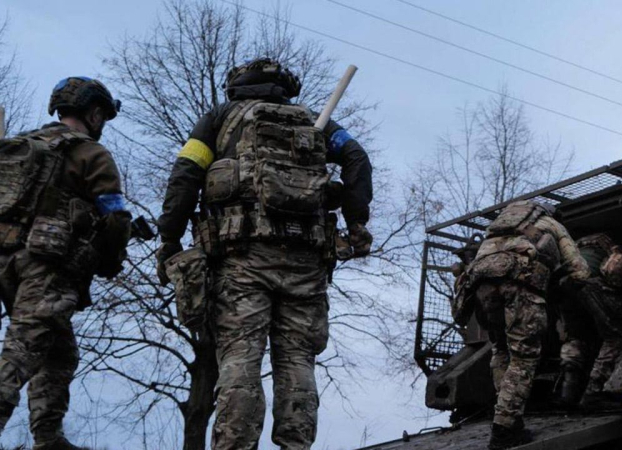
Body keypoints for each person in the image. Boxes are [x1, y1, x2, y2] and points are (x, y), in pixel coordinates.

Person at [156, 58, 373, 450]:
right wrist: (356, 222)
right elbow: (356, 158)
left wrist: (169, 240)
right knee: (297, 362)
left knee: (240, 360)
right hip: (306, 263)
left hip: (242, 260)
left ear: (236, 86)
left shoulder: (219, 118)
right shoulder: (312, 121)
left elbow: (186, 174)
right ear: (286, 89)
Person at [0, 77, 130, 449]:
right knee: (23, 350)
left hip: (6, 260)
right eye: (103, 116)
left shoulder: (21, 146)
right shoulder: (92, 155)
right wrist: (110, 259)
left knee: (59, 352)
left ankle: (49, 437)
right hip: (47, 268)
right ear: (93, 113)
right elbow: (115, 217)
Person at [452, 200, 589, 450]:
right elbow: (580, 272)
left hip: (483, 290)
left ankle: (507, 417)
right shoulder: (551, 224)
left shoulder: (494, 231)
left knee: (501, 350)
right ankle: (504, 429)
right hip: (520, 286)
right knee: (523, 356)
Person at [557, 233, 622, 409]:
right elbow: (613, 272)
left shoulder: (574, 247)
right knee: (617, 337)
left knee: (576, 338)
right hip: (590, 285)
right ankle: (594, 394)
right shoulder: (613, 247)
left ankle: (567, 393)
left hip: (564, 289)